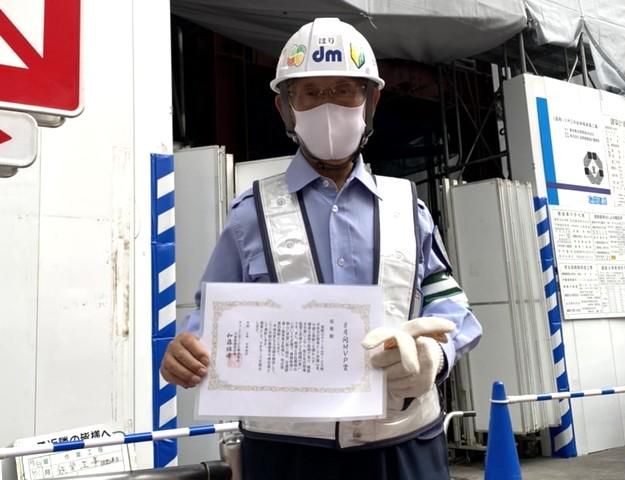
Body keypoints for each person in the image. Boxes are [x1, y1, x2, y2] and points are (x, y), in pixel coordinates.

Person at [161, 17, 482, 480]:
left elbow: (450, 305)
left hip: (404, 445)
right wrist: (186, 350)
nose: (327, 105)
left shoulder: (408, 208)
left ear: (371, 101)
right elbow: (211, 316)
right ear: (285, 108)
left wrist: (437, 355)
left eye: (344, 90)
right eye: (309, 93)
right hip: (287, 453)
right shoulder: (251, 213)